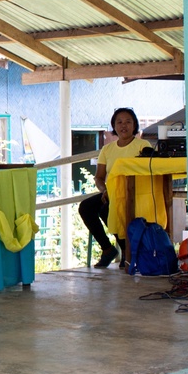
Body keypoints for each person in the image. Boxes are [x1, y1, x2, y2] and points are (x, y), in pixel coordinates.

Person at [78, 108, 150, 269]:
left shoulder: (142, 145)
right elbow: (99, 177)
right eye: (119, 122)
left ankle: (126, 250)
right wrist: (104, 191)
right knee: (86, 207)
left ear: (134, 125)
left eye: (128, 122)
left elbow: (149, 171)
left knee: (106, 210)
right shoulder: (107, 149)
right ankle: (108, 249)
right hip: (111, 192)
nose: (123, 125)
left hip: (135, 193)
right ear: (114, 126)